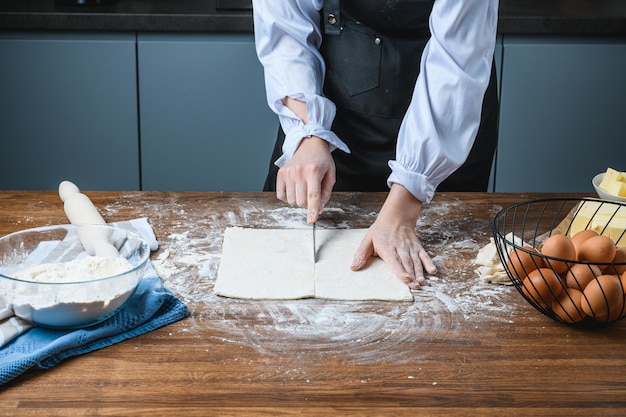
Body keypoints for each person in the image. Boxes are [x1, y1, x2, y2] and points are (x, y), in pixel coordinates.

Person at [252, 0, 499, 289]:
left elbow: (457, 59)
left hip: (447, 124)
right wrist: (308, 132)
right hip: (331, 107)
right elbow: (285, 23)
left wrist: (404, 205)